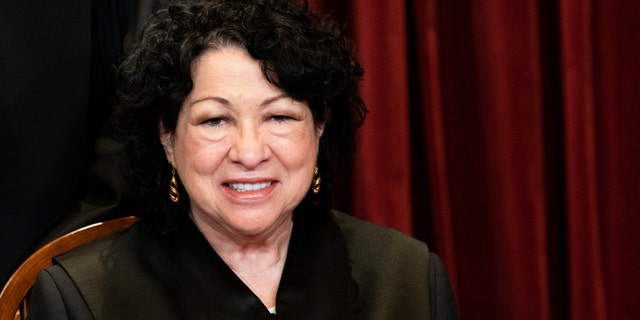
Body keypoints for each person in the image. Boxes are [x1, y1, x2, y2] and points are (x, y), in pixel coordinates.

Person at [27, 0, 459, 319]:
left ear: (320, 126)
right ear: (167, 137)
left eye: (279, 116)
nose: (249, 152)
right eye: (215, 120)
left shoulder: (407, 277)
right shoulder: (79, 298)